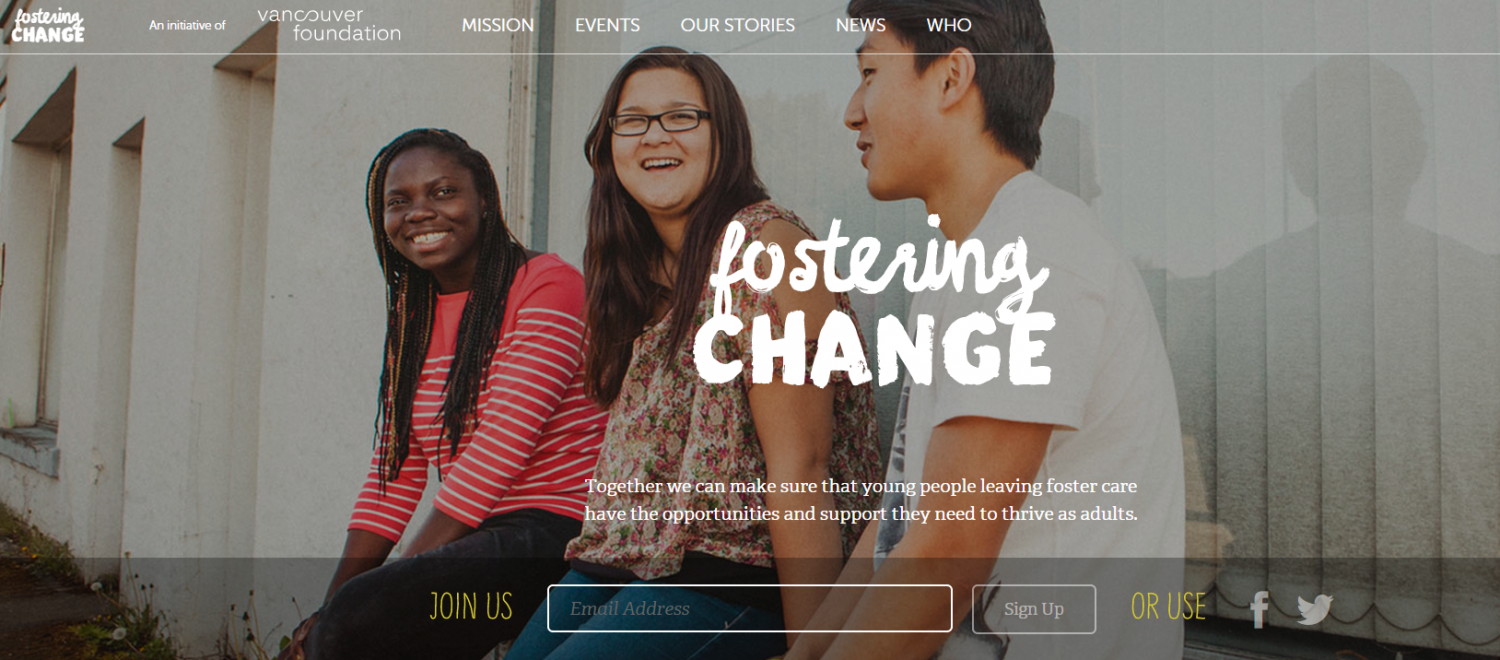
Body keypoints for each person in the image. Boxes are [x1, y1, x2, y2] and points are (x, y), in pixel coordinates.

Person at [786, 1, 1186, 659]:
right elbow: (898, 529)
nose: (852, 110)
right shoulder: (974, 263)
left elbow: (947, 558)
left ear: (950, 78)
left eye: (870, 73)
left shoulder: (1031, 250)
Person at [505, 47, 882, 660]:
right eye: (633, 120)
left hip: (734, 573)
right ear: (609, 146)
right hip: (621, 559)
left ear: (723, 135)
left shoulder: (770, 252)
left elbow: (802, 472)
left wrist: (812, 650)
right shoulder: (637, 274)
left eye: (682, 116)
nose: (656, 135)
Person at [279, 128, 607, 660]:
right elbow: (392, 475)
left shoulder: (548, 284)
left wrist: (384, 588)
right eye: (398, 201)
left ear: (484, 199)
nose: (419, 212)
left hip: (562, 533)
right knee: (338, 630)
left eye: (443, 192)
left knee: (363, 623)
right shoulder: (414, 322)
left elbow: (502, 444)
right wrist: (330, 606)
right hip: (480, 535)